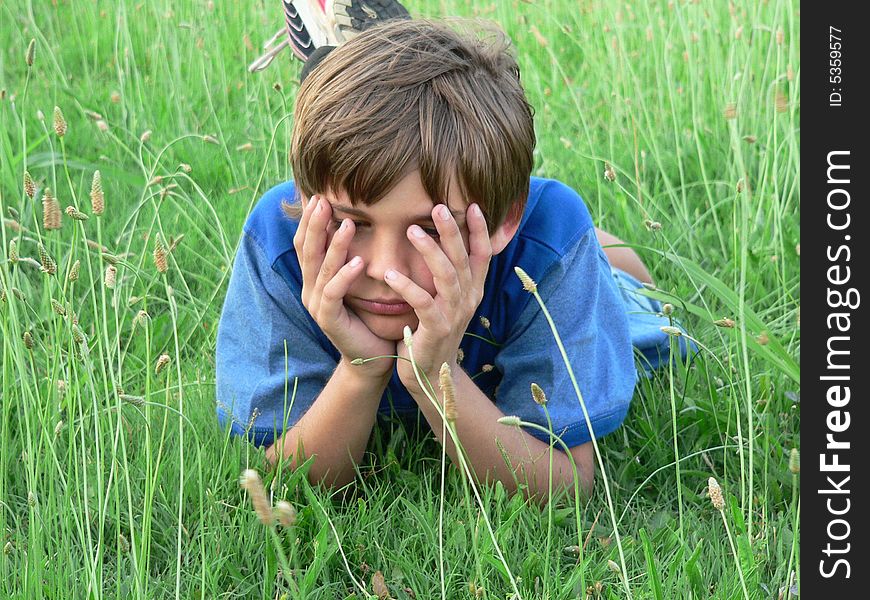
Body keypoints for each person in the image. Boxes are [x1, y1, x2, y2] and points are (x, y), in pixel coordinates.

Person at [221, 1, 685, 504]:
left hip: (554, 268)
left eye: (429, 230)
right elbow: (278, 482)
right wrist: (361, 367)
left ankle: (600, 255)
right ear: (310, 202)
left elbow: (567, 484)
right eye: (351, 223)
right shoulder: (279, 238)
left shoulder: (543, 249)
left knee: (623, 289)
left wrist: (431, 376)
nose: (386, 270)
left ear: (505, 219)